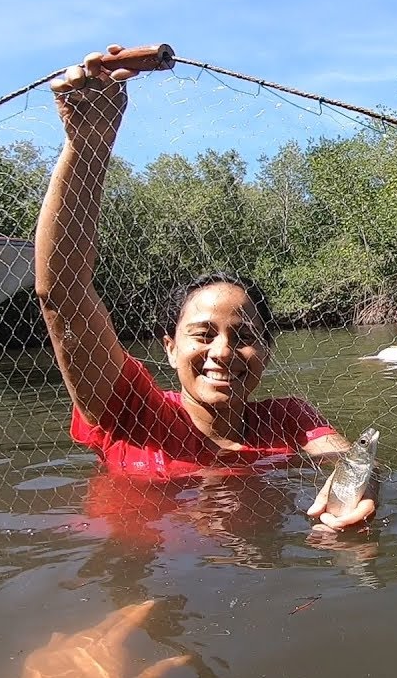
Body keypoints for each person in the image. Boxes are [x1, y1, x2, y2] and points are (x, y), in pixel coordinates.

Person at [34, 45, 374, 532]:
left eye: (244, 335)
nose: (224, 351)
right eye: (202, 333)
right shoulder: (129, 409)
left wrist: (360, 484)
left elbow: (353, 459)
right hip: (148, 589)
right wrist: (89, 144)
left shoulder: (289, 420)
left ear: (268, 352)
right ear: (170, 348)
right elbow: (62, 293)